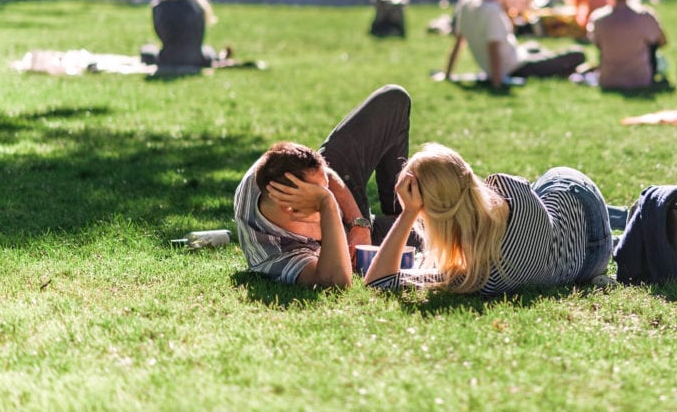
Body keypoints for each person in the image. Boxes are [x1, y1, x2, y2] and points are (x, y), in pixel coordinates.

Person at [364, 143, 612, 296]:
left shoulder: (478, 277)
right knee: (543, 187)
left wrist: (409, 212)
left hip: (588, 265)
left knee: (542, 196)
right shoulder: (506, 186)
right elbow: (475, 201)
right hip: (582, 204)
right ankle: (620, 216)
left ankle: (620, 218)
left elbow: (378, 282)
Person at [233, 85, 412, 288]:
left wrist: (358, 224)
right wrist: (327, 204)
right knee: (433, 233)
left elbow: (326, 172)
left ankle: (400, 205)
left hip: (353, 224)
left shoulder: (272, 168)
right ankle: (406, 220)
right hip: (336, 253)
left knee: (394, 99)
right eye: (320, 197)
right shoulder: (274, 253)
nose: (330, 196)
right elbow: (335, 281)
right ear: (291, 208)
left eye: (325, 190)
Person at [444, 0, 585, 88]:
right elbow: (493, 48)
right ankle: (561, 68)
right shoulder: (491, 10)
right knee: (578, 54)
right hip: (516, 67)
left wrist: (448, 73)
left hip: (515, 56)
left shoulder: (467, 1)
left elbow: (459, 41)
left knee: (534, 46)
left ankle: (554, 65)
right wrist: (497, 82)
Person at [587, 0, 667, 89]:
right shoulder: (645, 16)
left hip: (608, 79)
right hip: (641, 79)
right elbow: (662, 42)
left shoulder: (598, 18)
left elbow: (596, 42)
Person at [141, 0, 220, 68]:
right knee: (207, 50)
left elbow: (164, 37)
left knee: (147, 50)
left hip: (169, 59)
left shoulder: (159, 7)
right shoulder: (197, 5)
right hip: (196, 59)